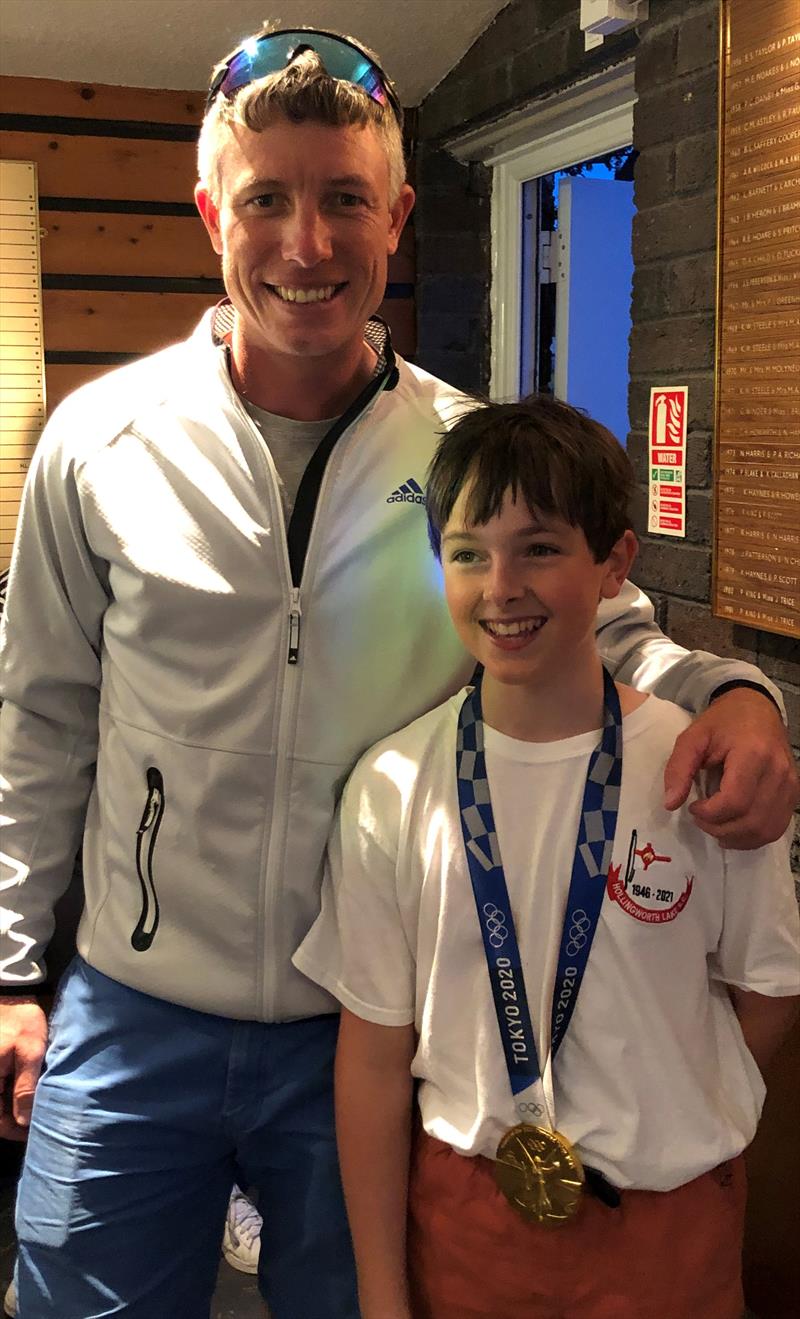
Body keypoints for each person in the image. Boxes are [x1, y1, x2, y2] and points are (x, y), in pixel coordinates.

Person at [0, 22, 796, 1319]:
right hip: (135, 1012)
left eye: (344, 201)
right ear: (213, 214)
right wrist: (12, 969)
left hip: (375, 1028)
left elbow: (613, 627)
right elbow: (37, 716)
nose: (306, 244)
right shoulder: (98, 441)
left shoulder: (472, 451)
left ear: (399, 218)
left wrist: (737, 693)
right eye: (268, 200)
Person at [294, 395, 800, 1319]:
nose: (500, 588)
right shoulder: (394, 785)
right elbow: (373, 1056)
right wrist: (380, 1294)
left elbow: (766, 992)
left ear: (614, 563)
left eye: (540, 548)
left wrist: (663, 1089)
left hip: (667, 1226)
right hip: (466, 1221)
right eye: (468, 552)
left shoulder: (695, 770)